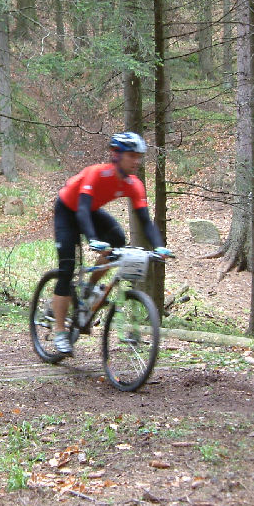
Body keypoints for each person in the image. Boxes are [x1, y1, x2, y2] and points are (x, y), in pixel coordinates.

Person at [51, 132, 171, 354]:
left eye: (139, 157)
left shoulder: (134, 184)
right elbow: (82, 210)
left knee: (117, 240)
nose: (137, 161)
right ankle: (59, 332)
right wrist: (93, 240)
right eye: (132, 156)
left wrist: (159, 246)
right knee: (67, 268)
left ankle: (89, 286)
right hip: (67, 211)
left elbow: (145, 221)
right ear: (116, 155)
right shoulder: (96, 174)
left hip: (90, 212)